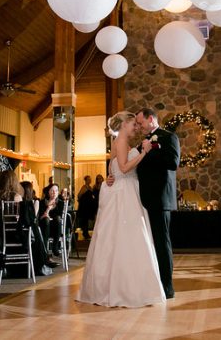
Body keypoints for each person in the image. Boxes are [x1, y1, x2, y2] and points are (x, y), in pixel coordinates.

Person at [77, 111, 165, 307]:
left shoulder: (117, 143)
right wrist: (144, 152)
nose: (135, 127)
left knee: (119, 238)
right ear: (124, 124)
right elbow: (124, 168)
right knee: (130, 237)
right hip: (125, 192)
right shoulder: (122, 143)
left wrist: (111, 177)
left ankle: (115, 286)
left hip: (123, 189)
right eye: (133, 124)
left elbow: (112, 168)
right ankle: (127, 289)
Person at [135, 107, 180, 299]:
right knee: (150, 244)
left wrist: (149, 151)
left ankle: (167, 288)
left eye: (141, 122)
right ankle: (153, 283)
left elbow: (173, 162)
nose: (139, 126)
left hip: (160, 199)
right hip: (144, 199)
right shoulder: (142, 143)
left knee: (162, 243)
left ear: (151, 119)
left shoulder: (169, 137)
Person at [15, 181, 57, 275]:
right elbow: (31, 219)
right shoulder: (21, 201)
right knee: (37, 231)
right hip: (24, 231)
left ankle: (44, 259)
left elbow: (32, 218)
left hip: (25, 230)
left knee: (37, 230)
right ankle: (45, 259)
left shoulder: (33, 202)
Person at [38, 183, 64, 257]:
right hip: (45, 228)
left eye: (56, 190)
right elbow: (40, 217)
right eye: (52, 190)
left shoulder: (60, 203)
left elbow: (60, 215)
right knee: (46, 219)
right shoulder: (42, 202)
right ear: (48, 192)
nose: (54, 192)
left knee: (58, 218)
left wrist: (48, 216)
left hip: (55, 229)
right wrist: (48, 209)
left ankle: (55, 246)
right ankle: (45, 249)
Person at [77, 175, 95, 239]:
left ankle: (86, 233)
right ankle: (85, 233)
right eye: (88, 179)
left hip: (88, 206)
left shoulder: (90, 187)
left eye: (90, 179)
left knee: (86, 220)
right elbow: (79, 195)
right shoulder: (84, 187)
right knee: (85, 220)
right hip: (84, 207)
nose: (89, 180)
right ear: (85, 180)